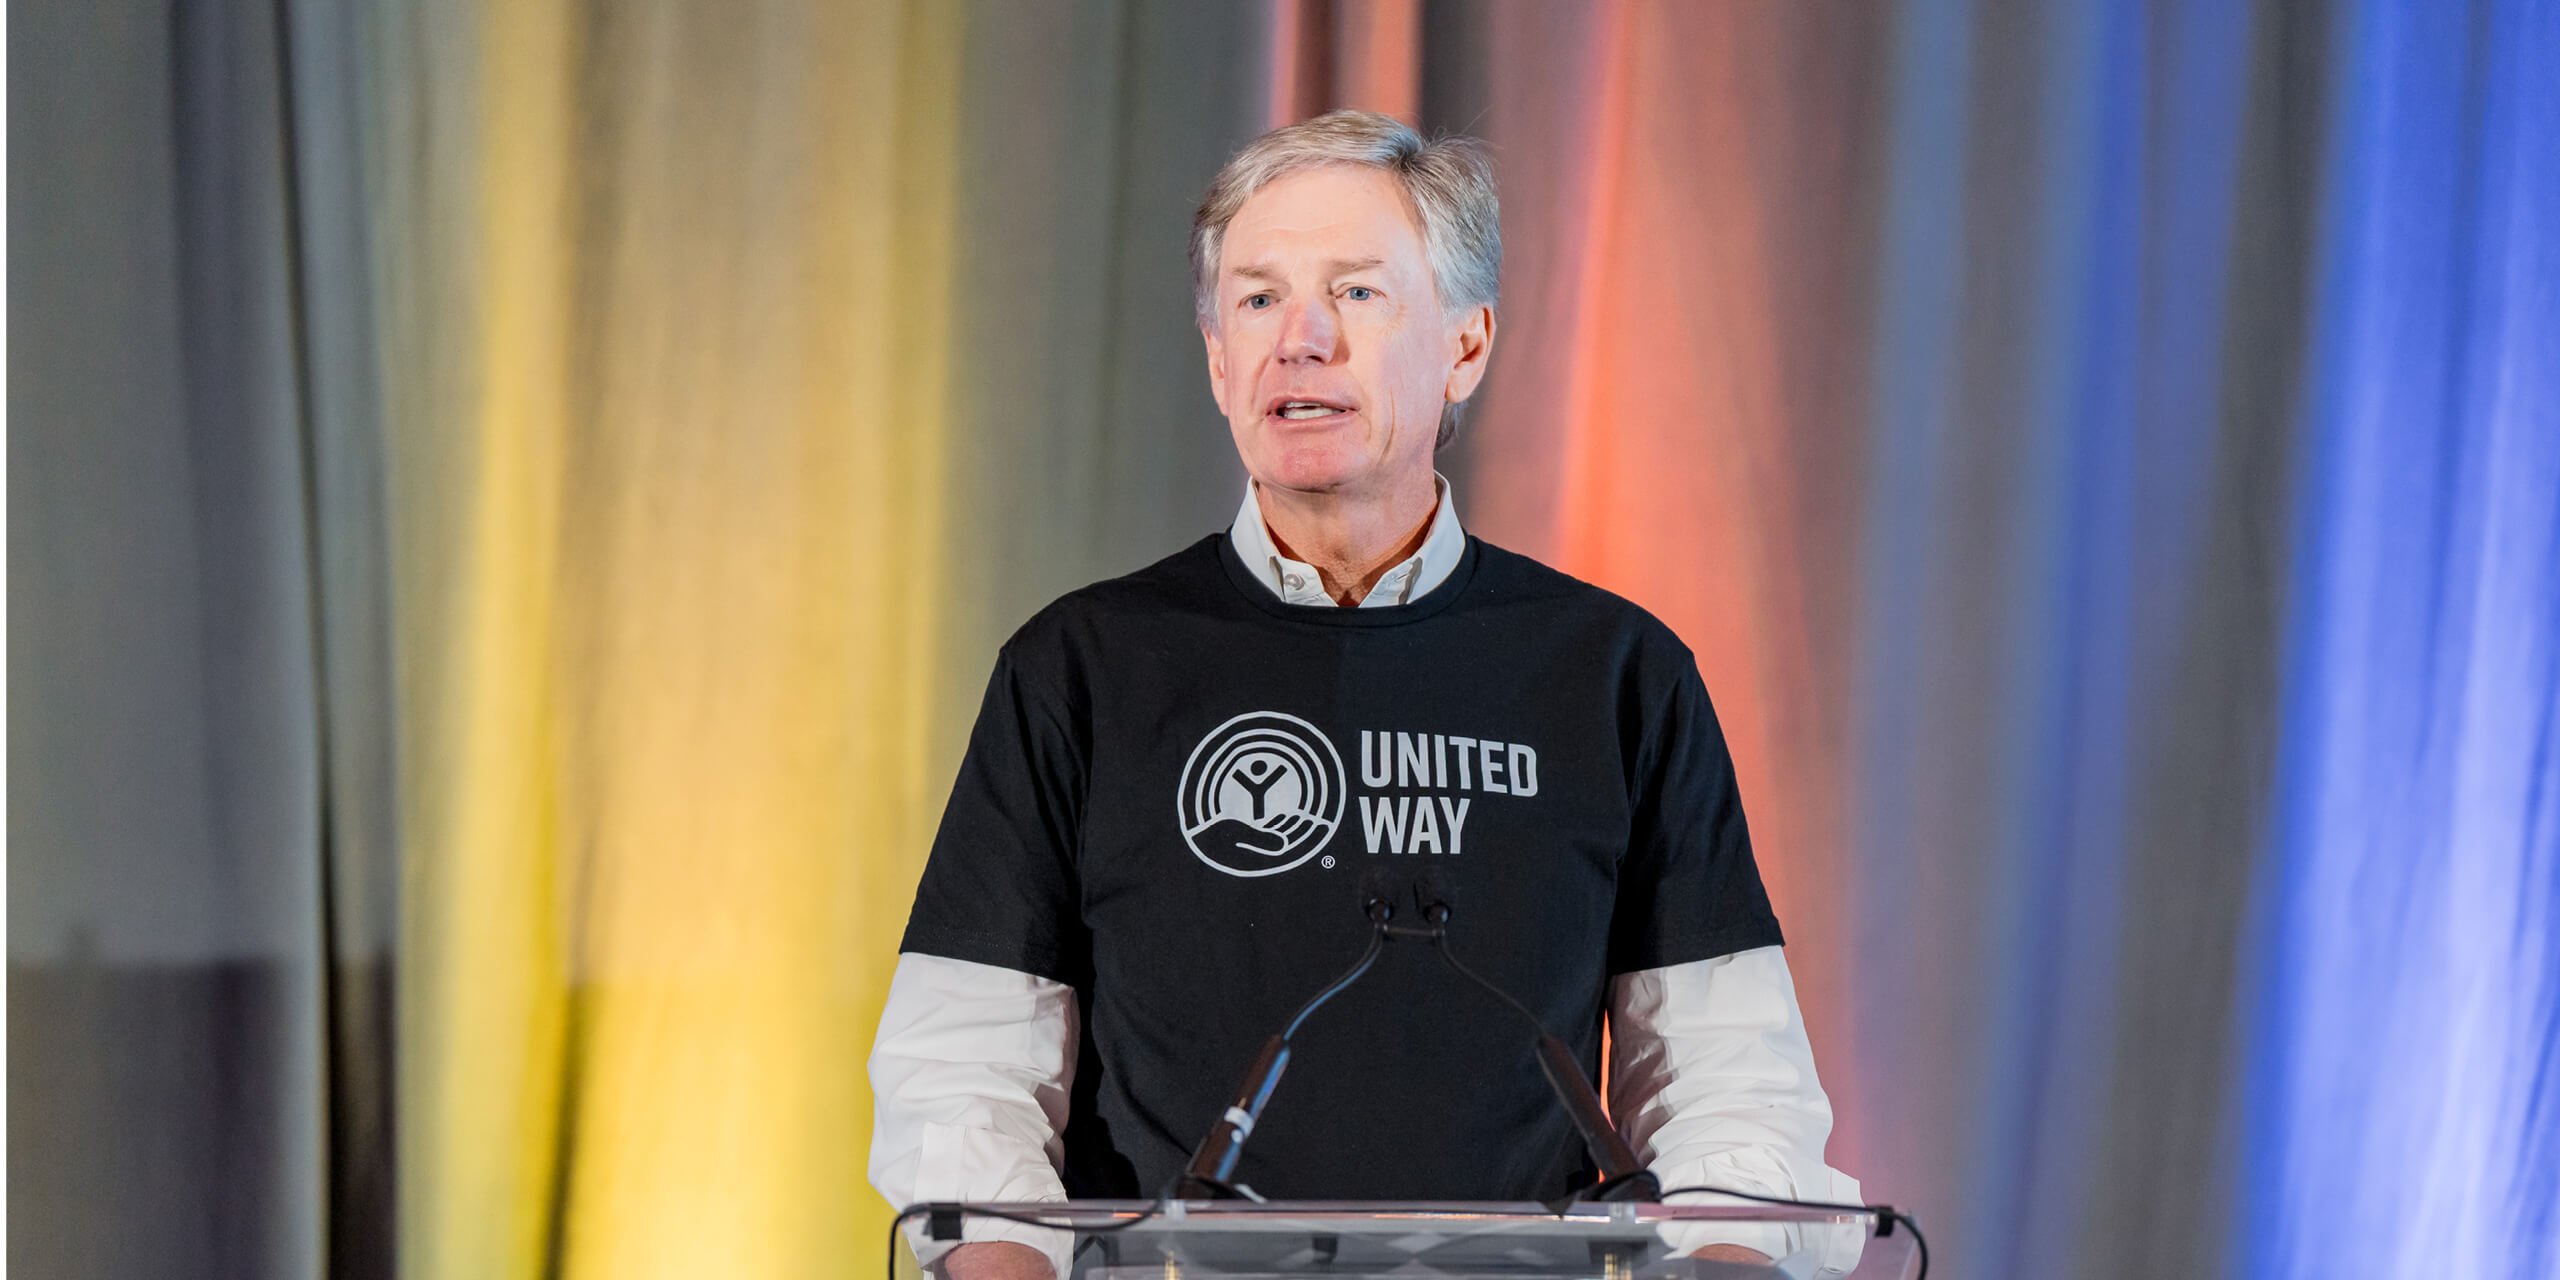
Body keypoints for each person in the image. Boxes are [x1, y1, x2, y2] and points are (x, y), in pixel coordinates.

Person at [868, 110, 1859, 1280]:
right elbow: (964, 1072)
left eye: (1356, 292)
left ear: (1467, 344)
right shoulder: (1078, 667)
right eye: (1255, 299)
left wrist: (1728, 1256)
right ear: (1216, 360)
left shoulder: (1613, 673)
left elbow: (1729, 1081)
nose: (1300, 339)